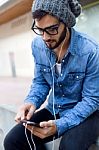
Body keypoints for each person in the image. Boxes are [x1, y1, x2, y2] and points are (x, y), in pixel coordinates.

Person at [4, 0, 99, 150]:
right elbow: (40, 82)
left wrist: (60, 125)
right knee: (12, 141)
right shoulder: (37, 45)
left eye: (52, 29)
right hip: (56, 107)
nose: (45, 37)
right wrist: (31, 102)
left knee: (69, 147)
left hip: (87, 112)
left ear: (66, 23)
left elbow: (92, 99)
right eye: (40, 30)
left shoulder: (90, 50)